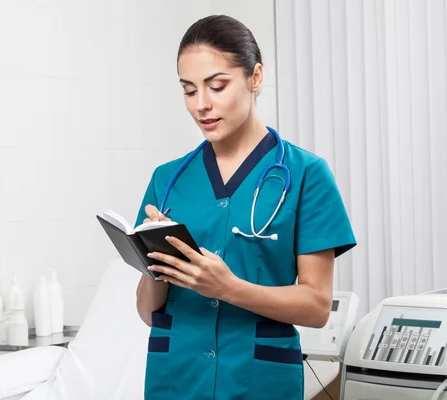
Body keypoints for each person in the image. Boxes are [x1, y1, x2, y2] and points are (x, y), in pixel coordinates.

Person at [133, 15, 356, 400]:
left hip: (259, 382)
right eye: (189, 90)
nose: (202, 105)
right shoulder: (167, 180)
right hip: (176, 380)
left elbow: (317, 306)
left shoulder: (306, 175)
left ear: (255, 78)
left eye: (217, 86)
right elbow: (145, 310)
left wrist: (229, 288)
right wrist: (160, 265)